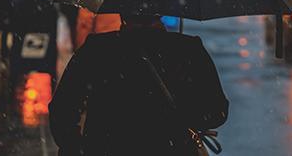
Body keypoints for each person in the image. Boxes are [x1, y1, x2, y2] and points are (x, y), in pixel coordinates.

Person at [49, 15, 229, 155]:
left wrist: (75, 148)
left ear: (122, 12)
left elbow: (62, 109)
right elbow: (216, 113)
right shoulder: (188, 50)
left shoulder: (97, 50)